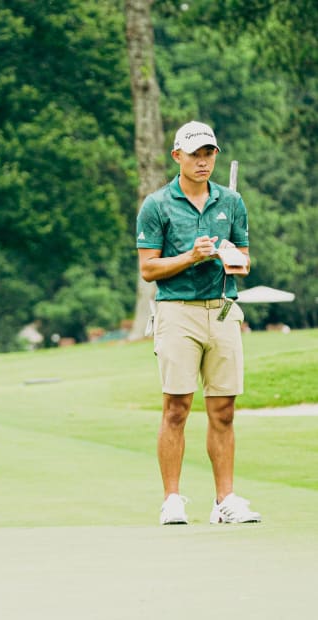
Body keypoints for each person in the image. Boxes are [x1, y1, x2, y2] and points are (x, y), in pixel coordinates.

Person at [136, 120, 261, 525]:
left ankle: (225, 500)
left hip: (222, 308)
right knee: (177, 406)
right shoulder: (157, 205)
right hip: (177, 311)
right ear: (177, 157)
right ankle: (172, 499)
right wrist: (191, 256)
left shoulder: (232, 202)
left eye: (209, 154)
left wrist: (229, 255)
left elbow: (244, 261)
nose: (203, 161)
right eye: (195, 154)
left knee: (223, 409)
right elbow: (148, 269)